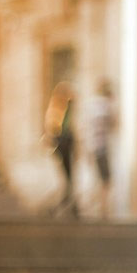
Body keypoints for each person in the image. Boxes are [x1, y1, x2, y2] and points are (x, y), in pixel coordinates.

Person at [44, 81, 78, 218]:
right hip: (62, 145)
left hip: (66, 145)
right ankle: (65, 205)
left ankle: (71, 206)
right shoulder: (57, 110)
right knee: (67, 178)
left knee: (69, 178)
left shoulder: (66, 110)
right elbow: (53, 130)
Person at [87, 79, 117, 219]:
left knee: (100, 179)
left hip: (93, 146)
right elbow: (113, 123)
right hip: (101, 147)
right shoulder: (104, 106)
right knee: (105, 180)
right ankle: (102, 210)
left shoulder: (92, 105)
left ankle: (99, 208)